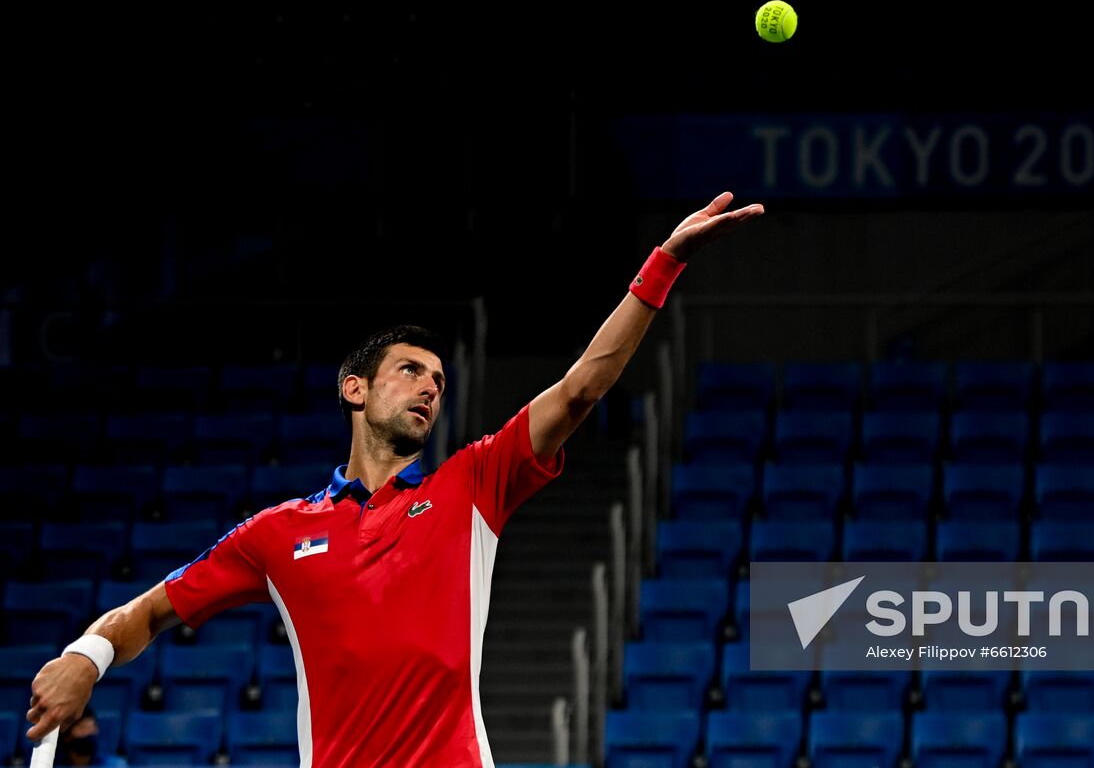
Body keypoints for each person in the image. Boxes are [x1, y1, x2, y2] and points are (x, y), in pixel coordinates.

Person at [26, 192, 763, 766]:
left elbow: (579, 390)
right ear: (354, 389)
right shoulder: (275, 536)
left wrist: (662, 262)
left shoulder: (472, 484)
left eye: (439, 379)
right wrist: (81, 661)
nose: (430, 387)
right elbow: (148, 613)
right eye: (410, 370)